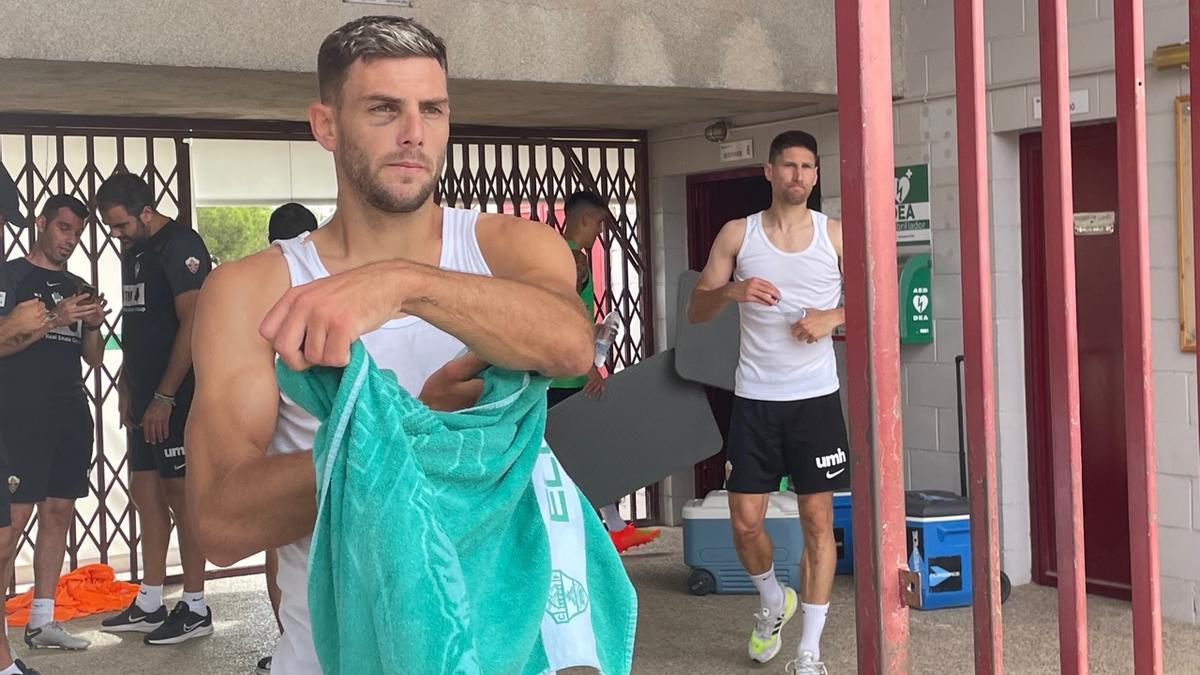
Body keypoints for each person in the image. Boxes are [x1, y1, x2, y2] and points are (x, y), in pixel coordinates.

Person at [185, 16, 594, 674]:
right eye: (383, 109)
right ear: (326, 125)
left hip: (505, 654)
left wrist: (402, 283)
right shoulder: (251, 288)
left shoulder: (507, 247)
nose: (414, 134)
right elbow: (222, 522)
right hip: (333, 657)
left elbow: (571, 343)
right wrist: (413, 429)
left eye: (432, 109)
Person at [687, 130, 847, 674]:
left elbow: (883, 295)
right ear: (769, 172)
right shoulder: (740, 234)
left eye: (807, 166)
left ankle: (809, 652)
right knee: (745, 522)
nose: (798, 175)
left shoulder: (835, 235)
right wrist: (733, 290)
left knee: (817, 522)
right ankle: (773, 602)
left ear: (816, 175)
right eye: (789, 166)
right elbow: (695, 311)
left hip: (815, 401)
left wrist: (832, 317)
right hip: (755, 399)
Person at [95, 172, 215, 645]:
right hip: (142, 398)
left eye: (121, 225)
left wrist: (166, 395)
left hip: (176, 398)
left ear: (146, 212)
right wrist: (128, 382)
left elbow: (194, 320)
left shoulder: (181, 245)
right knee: (146, 498)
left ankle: (196, 604)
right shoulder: (136, 250)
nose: (115, 234)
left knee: (181, 501)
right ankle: (150, 599)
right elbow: (137, 320)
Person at [547, 190, 660, 553]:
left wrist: (596, 332)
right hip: (566, 378)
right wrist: (587, 367)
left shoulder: (558, 256)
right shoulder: (570, 260)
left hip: (565, 374)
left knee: (588, 450)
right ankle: (603, 527)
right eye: (599, 222)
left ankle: (614, 524)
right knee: (584, 452)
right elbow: (565, 318)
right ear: (584, 219)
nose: (600, 230)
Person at [257, 201, 319, 674]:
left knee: (282, 553)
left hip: (284, 458)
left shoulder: (263, 294)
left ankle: (288, 640)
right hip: (332, 457)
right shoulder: (337, 293)